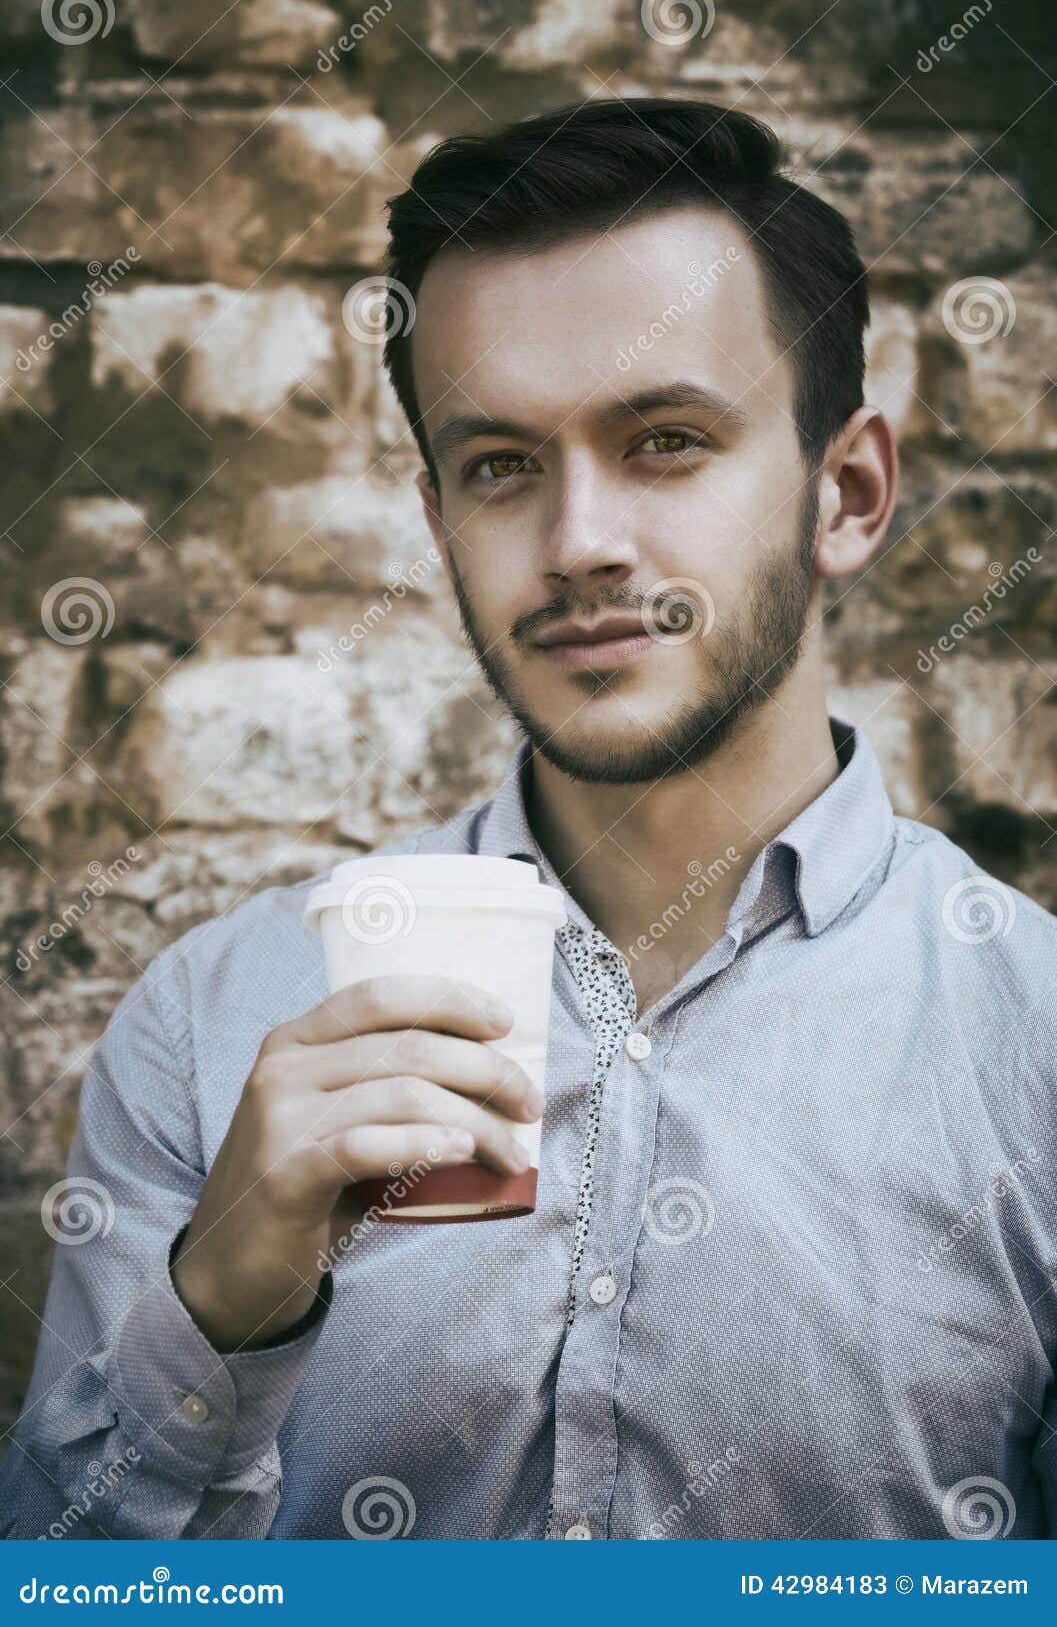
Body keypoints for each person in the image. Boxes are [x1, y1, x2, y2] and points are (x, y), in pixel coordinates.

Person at [2, 97, 1053, 1542]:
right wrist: (216, 1314)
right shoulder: (209, 1026)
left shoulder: (1032, 1039)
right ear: (437, 522)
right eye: (500, 465)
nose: (577, 546)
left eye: (666, 440)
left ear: (847, 490)